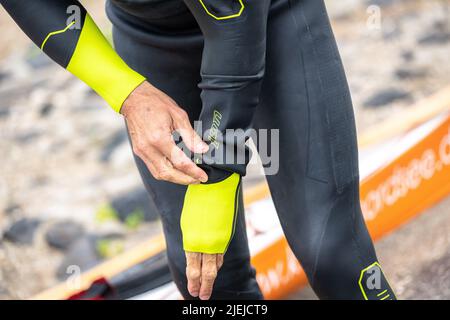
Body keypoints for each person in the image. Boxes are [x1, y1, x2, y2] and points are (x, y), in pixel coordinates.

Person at [1, 0, 396, 300]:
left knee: (331, 252)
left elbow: (234, 19)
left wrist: (217, 174)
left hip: (269, 18)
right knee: (207, 283)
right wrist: (128, 93)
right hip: (149, 37)